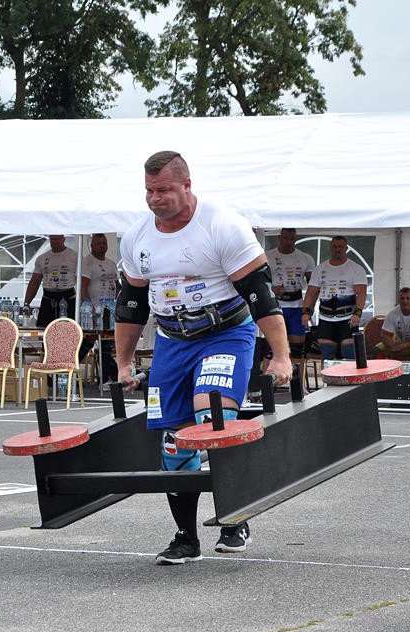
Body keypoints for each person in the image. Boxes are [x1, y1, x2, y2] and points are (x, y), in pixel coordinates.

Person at [115, 150, 290, 565]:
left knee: (214, 419)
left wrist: (281, 355)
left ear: (187, 185)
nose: (155, 199)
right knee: (174, 443)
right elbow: (132, 306)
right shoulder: (137, 237)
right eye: (149, 191)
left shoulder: (222, 226)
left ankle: (234, 517)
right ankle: (185, 537)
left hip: (225, 335)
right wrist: (123, 362)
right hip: (173, 342)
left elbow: (260, 295)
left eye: (164, 190)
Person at [300, 236, 368, 360]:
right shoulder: (319, 269)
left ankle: (349, 379)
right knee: (327, 356)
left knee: (349, 353)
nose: (337, 249)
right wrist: (306, 312)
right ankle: (327, 380)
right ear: (330, 248)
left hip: (348, 319)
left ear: (346, 248)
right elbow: (311, 293)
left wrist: (357, 313)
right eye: (334, 247)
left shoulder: (356, 269)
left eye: (340, 246)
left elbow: (361, 293)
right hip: (326, 319)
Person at [267, 228, 315, 357]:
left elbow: (314, 286)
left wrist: (308, 310)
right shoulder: (268, 257)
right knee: (274, 348)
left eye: (292, 239)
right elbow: (258, 281)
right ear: (279, 238)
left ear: (296, 239)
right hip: (275, 305)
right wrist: (271, 289)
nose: (288, 242)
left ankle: (296, 377)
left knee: (297, 349)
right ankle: (272, 376)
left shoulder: (305, 258)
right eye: (285, 238)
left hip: (297, 306)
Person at [22, 235, 77, 328]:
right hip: (48, 298)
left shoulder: (75, 256)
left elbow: (82, 281)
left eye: (57, 239)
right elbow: (34, 282)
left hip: (69, 299)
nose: (55, 242)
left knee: (70, 330)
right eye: (53, 239)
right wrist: (27, 303)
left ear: (63, 239)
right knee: (44, 331)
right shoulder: (42, 258)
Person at [371, 287, 410, 361]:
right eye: (402, 298)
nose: (405, 301)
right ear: (398, 300)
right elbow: (385, 335)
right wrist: (393, 345)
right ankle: (381, 371)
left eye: (408, 298)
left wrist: (405, 345)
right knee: (377, 349)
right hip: (401, 346)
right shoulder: (392, 314)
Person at [80, 233, 121, 325]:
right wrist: (89, 307)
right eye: (98, 243)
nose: (102, 246)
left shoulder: (111, 263)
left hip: (110, 309)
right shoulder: (87, 262)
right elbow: (82, 286)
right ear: (92, 246)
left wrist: (115, 303)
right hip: (95, 309)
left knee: (109, 337)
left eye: (104, 243)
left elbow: (117, 285)